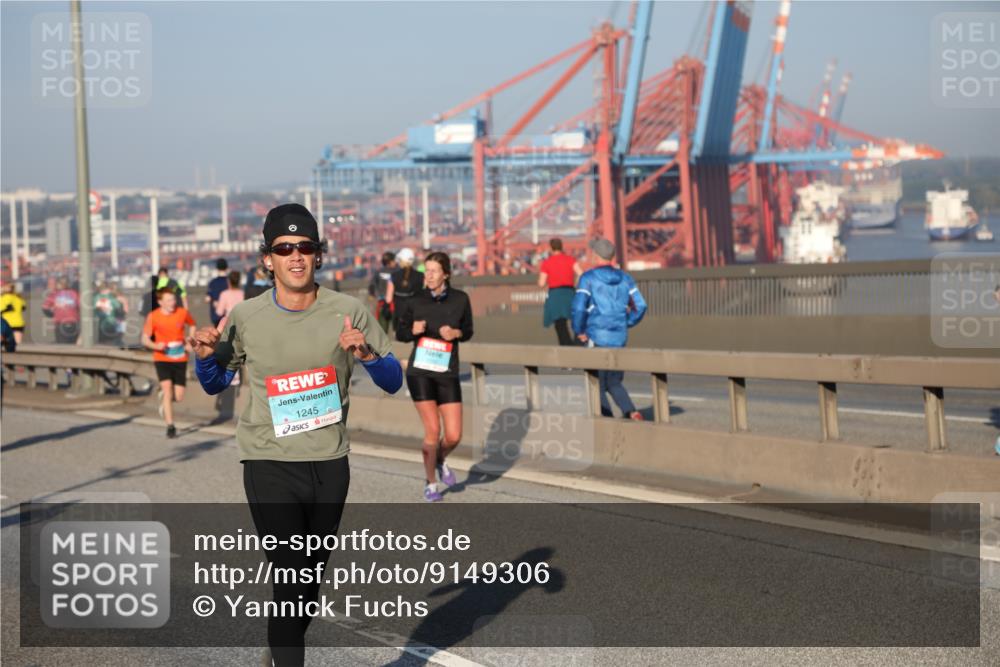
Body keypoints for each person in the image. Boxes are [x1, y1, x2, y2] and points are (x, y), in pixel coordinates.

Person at [189, 203, 403, 667]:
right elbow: (213, 382)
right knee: (289, 578)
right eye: (284, 249)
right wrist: (206, 356)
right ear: (268, 259)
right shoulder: (245, 316)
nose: (296, 256)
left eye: (305, 247)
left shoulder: (348, 311)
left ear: (319, 255)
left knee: (307, 586)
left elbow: (392, 380)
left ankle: (278, 649)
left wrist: (365, 352)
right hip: (268, 462)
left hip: (329, 464)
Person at [396, 251, 473, 502]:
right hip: (420, 373)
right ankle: (431, 484)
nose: (427, 275)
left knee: (454, 435)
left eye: (433, 271)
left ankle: (440, 459)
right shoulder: (415, 300)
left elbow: (469, 330)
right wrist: (412, 330)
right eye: (425, 270)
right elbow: (401, 332)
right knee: (432, 431)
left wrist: (456, 333)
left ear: (446, 274)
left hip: (447, 372)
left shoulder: (460, 299)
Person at [571, 237, 648, 421]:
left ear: (596, 256)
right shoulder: (625, 278)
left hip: (595, 337)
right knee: (614, 381)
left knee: (595, 383)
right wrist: (626, 321)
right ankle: (631, 411)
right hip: (619, 337)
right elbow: (641, 305)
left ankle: (607, 419)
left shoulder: (588, 278)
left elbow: (579, 308)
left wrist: (579, 330)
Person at [141, 288, 196, 438]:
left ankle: (166, 397)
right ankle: (170, 426)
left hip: (180, 357)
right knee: (167, 390)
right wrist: (155, 346)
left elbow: (192, 325)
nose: (173, 303)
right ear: (160, 302)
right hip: (162, 358)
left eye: (173, 299)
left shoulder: (182, 312)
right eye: (169, 300)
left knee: (178, 397)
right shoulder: (154, 316)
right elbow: (144, 339)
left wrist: (190, 342)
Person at [538, 237, 582, 346]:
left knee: (560, 324)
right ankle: (577, 344)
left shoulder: (547, 263)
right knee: (575, 320)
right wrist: (575, 283)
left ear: (551, 248)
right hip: (570, 293)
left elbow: (541, 283)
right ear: (561, 247)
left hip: (555, 295)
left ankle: (566, 347)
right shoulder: (570, 260)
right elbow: (581, 273)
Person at [386, 247, 423, 332]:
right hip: (416, 312)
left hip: (399, 313)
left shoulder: (393, 276)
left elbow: (388, 299)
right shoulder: (421, 275)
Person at [42, 277, 80, 344]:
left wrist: (54, 314)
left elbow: (45, 308)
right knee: (72, 345)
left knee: (62, 346)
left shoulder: (55, 294)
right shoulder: (74, 294)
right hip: (73, 323)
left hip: (61, 323)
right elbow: (80, 307)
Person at [367, 251, 396, 333]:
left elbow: (372, 285)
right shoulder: (397, 271)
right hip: (394, 302)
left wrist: (372, 294)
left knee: (382, 327)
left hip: (381, 302)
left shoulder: (378, 272)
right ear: (391, 261)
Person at [94, 282, 126, 347]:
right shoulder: (112, 298)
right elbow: (119, 307)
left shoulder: (95, 297)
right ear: (107, 289)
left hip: (99, 324)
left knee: (100, 343)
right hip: (111, 323)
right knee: (111, 343)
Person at [205, 258, 230, 328]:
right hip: (229, 314)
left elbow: (207, 299)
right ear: (227, 268)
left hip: (216, 316)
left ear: (217, 268)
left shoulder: (213, 283)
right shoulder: (230, 282)